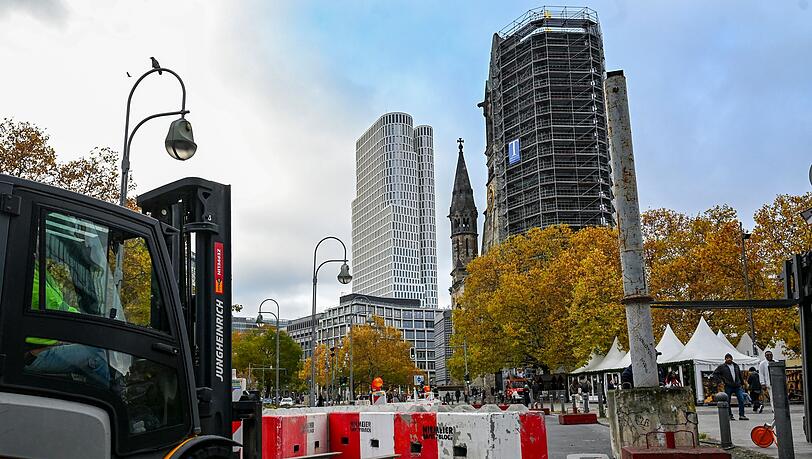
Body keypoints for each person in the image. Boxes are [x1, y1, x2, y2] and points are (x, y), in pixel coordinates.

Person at [712, 353, 748, 420]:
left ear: (732, 358)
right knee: (727, 401)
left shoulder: (736, 366)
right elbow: (715, 373)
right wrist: (720, 381)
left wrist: (742, 383)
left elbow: (739, 375)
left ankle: (742, 415)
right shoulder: (722, 367)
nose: (728, 359)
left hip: (737, 385)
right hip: (728, 385)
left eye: (730, 358)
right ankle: (729, 415)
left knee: (741, 399)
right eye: (727, 358)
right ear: (725, 359)